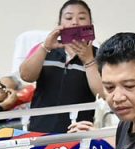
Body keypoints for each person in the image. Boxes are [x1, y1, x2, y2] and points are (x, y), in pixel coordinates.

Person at [19, 0, 103, 134]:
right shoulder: (44, 49)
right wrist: (45, 47)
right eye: (68, 18)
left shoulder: (100, 55)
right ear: (59, 24)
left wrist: (88, 60)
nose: (75, 22)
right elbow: (26, 76)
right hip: (39, 130)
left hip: (78, 132)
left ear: (90, 24)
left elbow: (102, 94)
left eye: (82, 18)